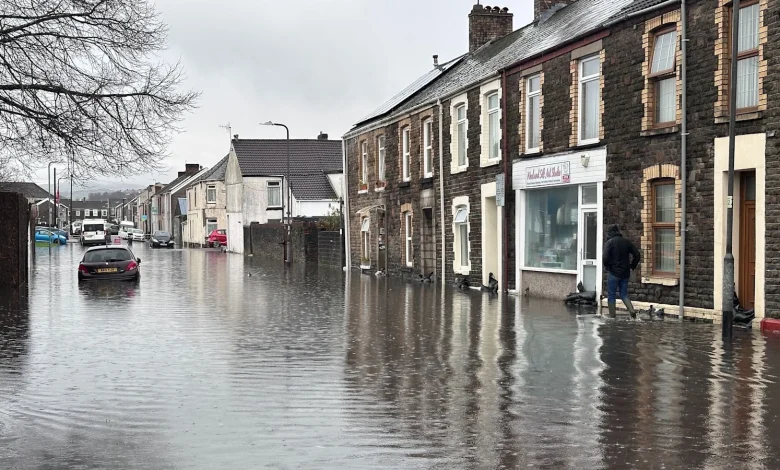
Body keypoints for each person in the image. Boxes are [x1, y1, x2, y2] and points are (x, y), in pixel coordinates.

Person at [603, 225, 643, 319]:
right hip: (625, 273)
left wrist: (608, 266)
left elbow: (605, 258)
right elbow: (637, 254)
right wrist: (632, 265)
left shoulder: (610, 242)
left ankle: (612, 317)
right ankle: (632, 311)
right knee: (624, 294)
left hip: (614, 273)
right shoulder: (626, 241)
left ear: (610, 233)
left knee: (611, 295)